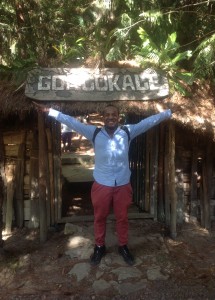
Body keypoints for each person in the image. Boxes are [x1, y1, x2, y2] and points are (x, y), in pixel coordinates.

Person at [34, 103, 172, 266]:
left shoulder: (128, 131)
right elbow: (72, 122)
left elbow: (148, 122)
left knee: (122, 218)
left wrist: (168, 112)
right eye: (107, 114)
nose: (110, 117)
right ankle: (100, 246)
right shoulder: (94, 132)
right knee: (100, 217)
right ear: (103, 118)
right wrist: (51, 112)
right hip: (102, 183)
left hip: (122, 183)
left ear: (118, 117)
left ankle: (123, 246)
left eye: (114, 114)